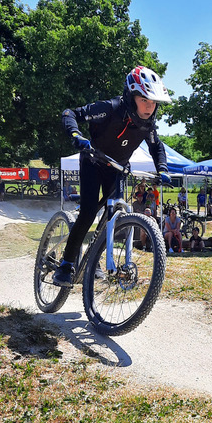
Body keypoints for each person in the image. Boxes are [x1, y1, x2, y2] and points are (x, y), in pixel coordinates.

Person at [52, 66, 172, 288]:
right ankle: (66, 264)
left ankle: (94, 258)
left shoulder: (147, 124)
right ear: (130, 96)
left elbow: (157, 147)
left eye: (153, 102)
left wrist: (162, 169)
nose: (149, 106)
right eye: (144, 99)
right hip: (92, 161)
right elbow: (70, 113)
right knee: (88, 212)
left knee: (112, 216)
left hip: (117, 169)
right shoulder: (110, 108)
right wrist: (76, 135)